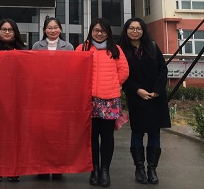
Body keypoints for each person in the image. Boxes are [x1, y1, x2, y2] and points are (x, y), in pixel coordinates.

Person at [76, 18, 129, 187]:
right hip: (88, 100)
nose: (99, 34)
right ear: (91, 31)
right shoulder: (82, 48)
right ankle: (94, 170)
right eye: (96, 30)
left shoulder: (116, 49)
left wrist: (113, 84)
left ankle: (105, 170)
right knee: (91, 138)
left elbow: (124, 71)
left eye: (103, 31)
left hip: (109, 100)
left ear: (108, 32)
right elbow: (75, 70)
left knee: (107, 137)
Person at [118, 18, 171, 185]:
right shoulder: (121, 50)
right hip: (136, 97)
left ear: (143, 31)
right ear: (126, 30)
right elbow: (122, 74)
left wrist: (157, 90)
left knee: (155, 133)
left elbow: (162, 69)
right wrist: (137, 90)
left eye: (138, 28)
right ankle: (139, 168)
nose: (135, 31)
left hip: (156, 97)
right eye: (131, 28)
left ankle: (152, 169)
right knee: (137, 133)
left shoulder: (152, 46)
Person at [31, 16, 73, 180]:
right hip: (42, 95)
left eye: (56, 27)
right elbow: (33, 69)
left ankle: (57, 167)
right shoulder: (37, 46)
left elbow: (71, 70)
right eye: (49, 27)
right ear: (44, 30)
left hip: (61, 96)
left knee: (58, 133)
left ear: (60, 29)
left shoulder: (68, 47)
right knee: (41, 132)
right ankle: (41, 167)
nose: (53, 30)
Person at [0, 18, 25, 183]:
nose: (7, 32)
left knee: (14, 136)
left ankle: (13, 168)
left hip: (17, 100)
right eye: (4, 29)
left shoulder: (23, 50)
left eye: (10, 29)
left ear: (15, 32)